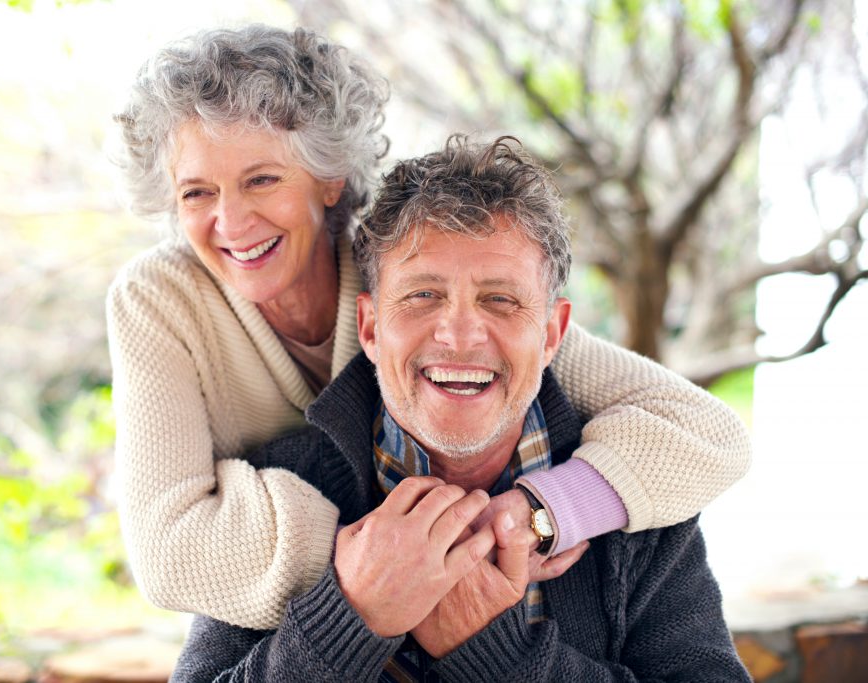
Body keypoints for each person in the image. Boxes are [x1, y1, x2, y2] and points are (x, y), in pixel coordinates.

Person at [106, 25, 752, 630]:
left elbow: (705, 432)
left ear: (330, 179)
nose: (232, 221)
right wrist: (393, 560)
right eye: (197, 193)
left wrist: (540, 511)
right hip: (317, 621)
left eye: (262, 180)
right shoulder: (157, 299)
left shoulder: (413, 274)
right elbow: (169, 553)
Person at [170, 136, 752, 682]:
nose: (459, 335)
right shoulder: (275, 492)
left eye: (500, 299)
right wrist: (350, 617)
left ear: (552, 334)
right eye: (423, 295)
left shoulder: (638, 500)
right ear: (370, 327)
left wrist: (491, 652)